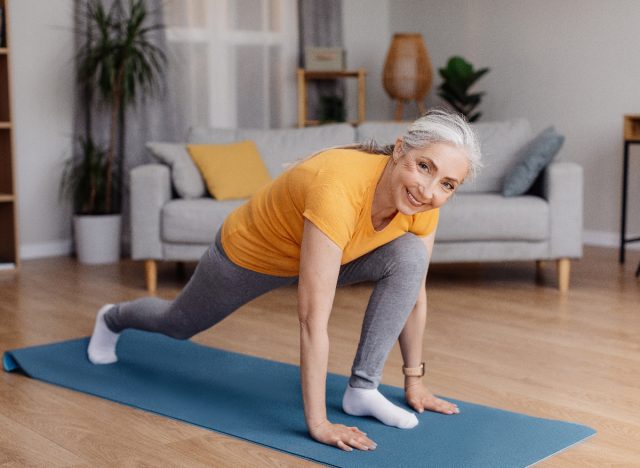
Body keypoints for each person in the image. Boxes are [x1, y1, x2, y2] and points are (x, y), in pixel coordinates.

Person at [87, 108, 481, 452]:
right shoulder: (339, 188)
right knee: (177, 323)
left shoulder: (423, 204)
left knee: (409, 255)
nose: (429, 190)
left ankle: (363, 389)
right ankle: (112, 318)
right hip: (249, 256)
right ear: (399, 150)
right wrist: (318, 423)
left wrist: (414, 383)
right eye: (424, 167)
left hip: (334, 252)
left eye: (447, 184)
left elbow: (414, 293)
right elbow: (312, 319)